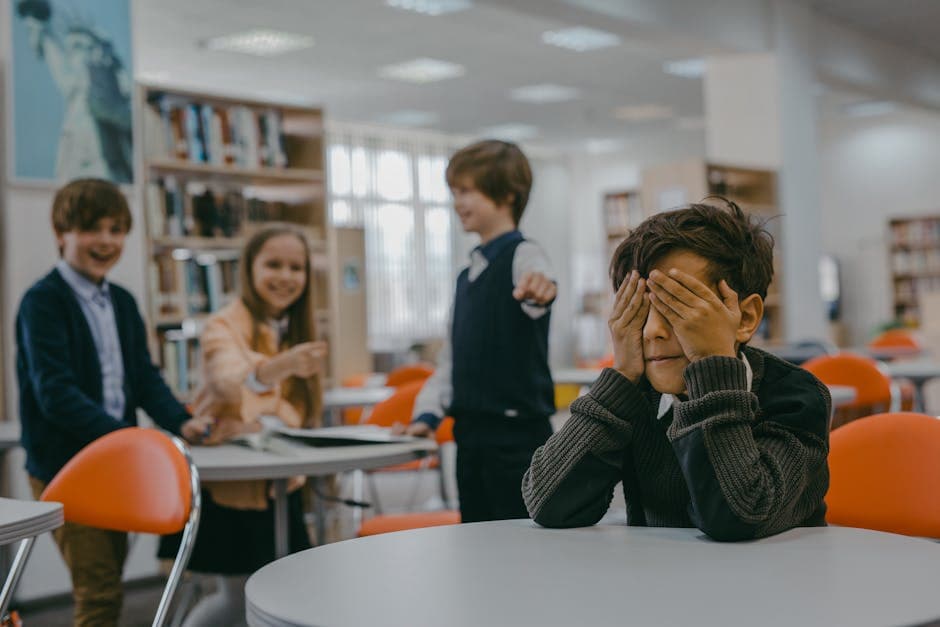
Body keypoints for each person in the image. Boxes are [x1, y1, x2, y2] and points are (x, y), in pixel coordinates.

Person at [522, 199, 831, 541]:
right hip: (658, 588)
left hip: (771, 586)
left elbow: (736, 517)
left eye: (676, 307)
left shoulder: (796, 396)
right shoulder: (636, 394)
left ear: (744, 318)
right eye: (639, 310)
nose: (653, 330)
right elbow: (548, 505)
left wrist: (711, 367)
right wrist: (621, 376)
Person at [16, 178, 213, 627]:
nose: (106, 241)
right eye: (91, 229)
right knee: (99, 593)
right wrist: (130, 439)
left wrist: (182, 422)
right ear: (61, 233)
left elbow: (143, 377)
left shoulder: (121, 302)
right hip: (66, 467)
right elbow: (55, 394)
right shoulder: (42, 302)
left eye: (116, 229)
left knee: (110, 586)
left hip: (116, 466)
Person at [158, 225, 327, 626]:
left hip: (280, 487)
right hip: (232, 488)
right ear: (248, 268)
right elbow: (229, 381)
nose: (285, 277)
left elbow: (290, 415)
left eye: (295, 267)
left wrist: (265, 413)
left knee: (290, 595)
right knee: (237, 601)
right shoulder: (223, 325)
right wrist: (279, 369)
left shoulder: (296, 328)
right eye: (273, 264)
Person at [403, 140, 557, 523]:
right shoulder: (464, 277)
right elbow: (451, 361)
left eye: (467, 191)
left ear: (506, 194)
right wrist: (426, 415)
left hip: (517, 438)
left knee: (519, 541)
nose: (457, 202)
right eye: (454, 192)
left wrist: (540, 290)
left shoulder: (526, 255)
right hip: (470, 436)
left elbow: (539, 286)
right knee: (475, 535)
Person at [16, 0, 133, 182]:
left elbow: (117, 110)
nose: (75, 55)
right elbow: (56, 59)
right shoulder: (73, 86)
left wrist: (103, 75)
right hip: (74, 165)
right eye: (72, 49)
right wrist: (37, 25)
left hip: (108, 169)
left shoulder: (115, 87)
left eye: (80, 47)